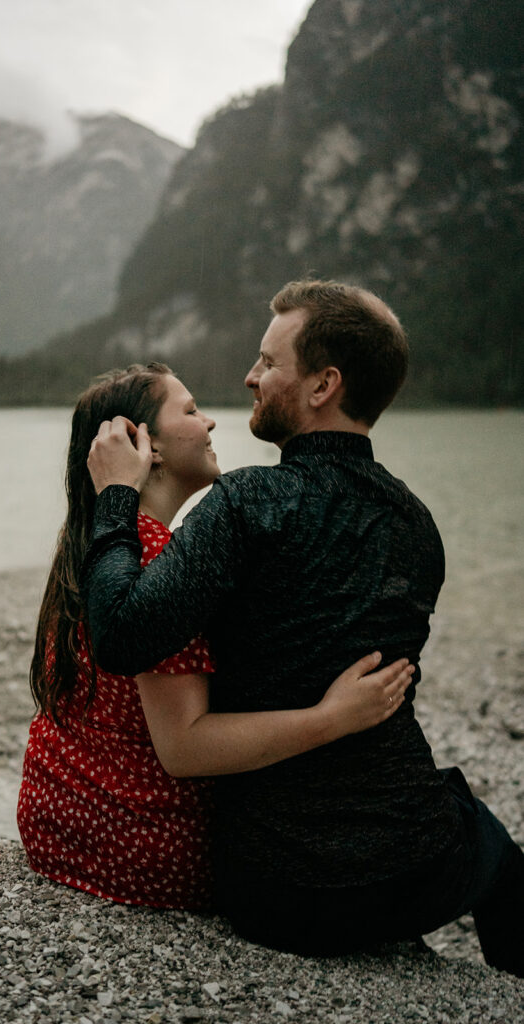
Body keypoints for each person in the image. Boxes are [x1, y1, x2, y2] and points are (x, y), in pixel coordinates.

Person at [81, 281, 524, 977]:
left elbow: (121, 636)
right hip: (416, 872)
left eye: (267, 362)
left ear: (323, 385)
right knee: (481, 833)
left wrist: (114, 497)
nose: (250, 377)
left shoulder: (247, 502)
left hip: (275, 893)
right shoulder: (416, 524)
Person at [17, 362, 413, 911]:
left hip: (54, 821)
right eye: (190, 410)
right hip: (140, 851)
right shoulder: (154, 556)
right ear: (145, 446)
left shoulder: (95, 540)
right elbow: (183, 747)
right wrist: (331, 718)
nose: (209, 424)